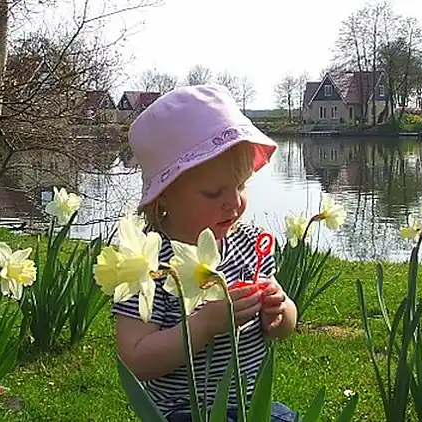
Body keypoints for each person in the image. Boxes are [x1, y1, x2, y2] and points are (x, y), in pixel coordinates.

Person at [112, 84, 299, 421]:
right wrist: (204, 325)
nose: (235, 202)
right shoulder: (146, 263)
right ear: (164, 196)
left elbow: (282, 328)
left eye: (241, 185)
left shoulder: (249, 245)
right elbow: (135, 360)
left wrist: (280, 310)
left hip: (251, 406)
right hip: (185, 411)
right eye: (214, 193)